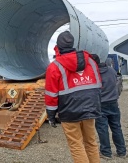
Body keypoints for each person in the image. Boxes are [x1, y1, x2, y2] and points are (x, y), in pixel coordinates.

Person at [45, 31, 102, 163]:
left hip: (69, 112)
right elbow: (98, 85)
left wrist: (51, 116)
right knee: (91, 143)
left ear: (58, 47)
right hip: (90, 109)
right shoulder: (91, 62)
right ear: (72, 45)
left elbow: (51, 94)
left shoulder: (54, 66)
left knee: (76, 145)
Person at [90, 54, 127, 160]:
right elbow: (117, 83)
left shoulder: (94, 73)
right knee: (116, 127)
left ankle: (106, 152)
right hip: (113, 103)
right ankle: (122, 151)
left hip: (100, 104)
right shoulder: (111, 70)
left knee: (102, 129)